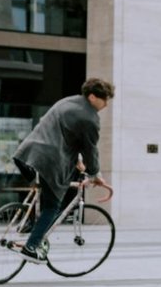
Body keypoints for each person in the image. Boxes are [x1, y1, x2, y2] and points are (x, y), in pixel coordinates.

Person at [11, 77, 114, 263]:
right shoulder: (90, 118)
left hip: (27, 153)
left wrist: (76, 161)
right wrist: (94, 174)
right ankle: (31, 247)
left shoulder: (66, 102)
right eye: (105, 99)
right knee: (53, 205)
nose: (107, 104)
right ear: (92, 97)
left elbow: (62, 136)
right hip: (49, 162)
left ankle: (30, 226)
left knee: (46, 195)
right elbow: (90, 150)